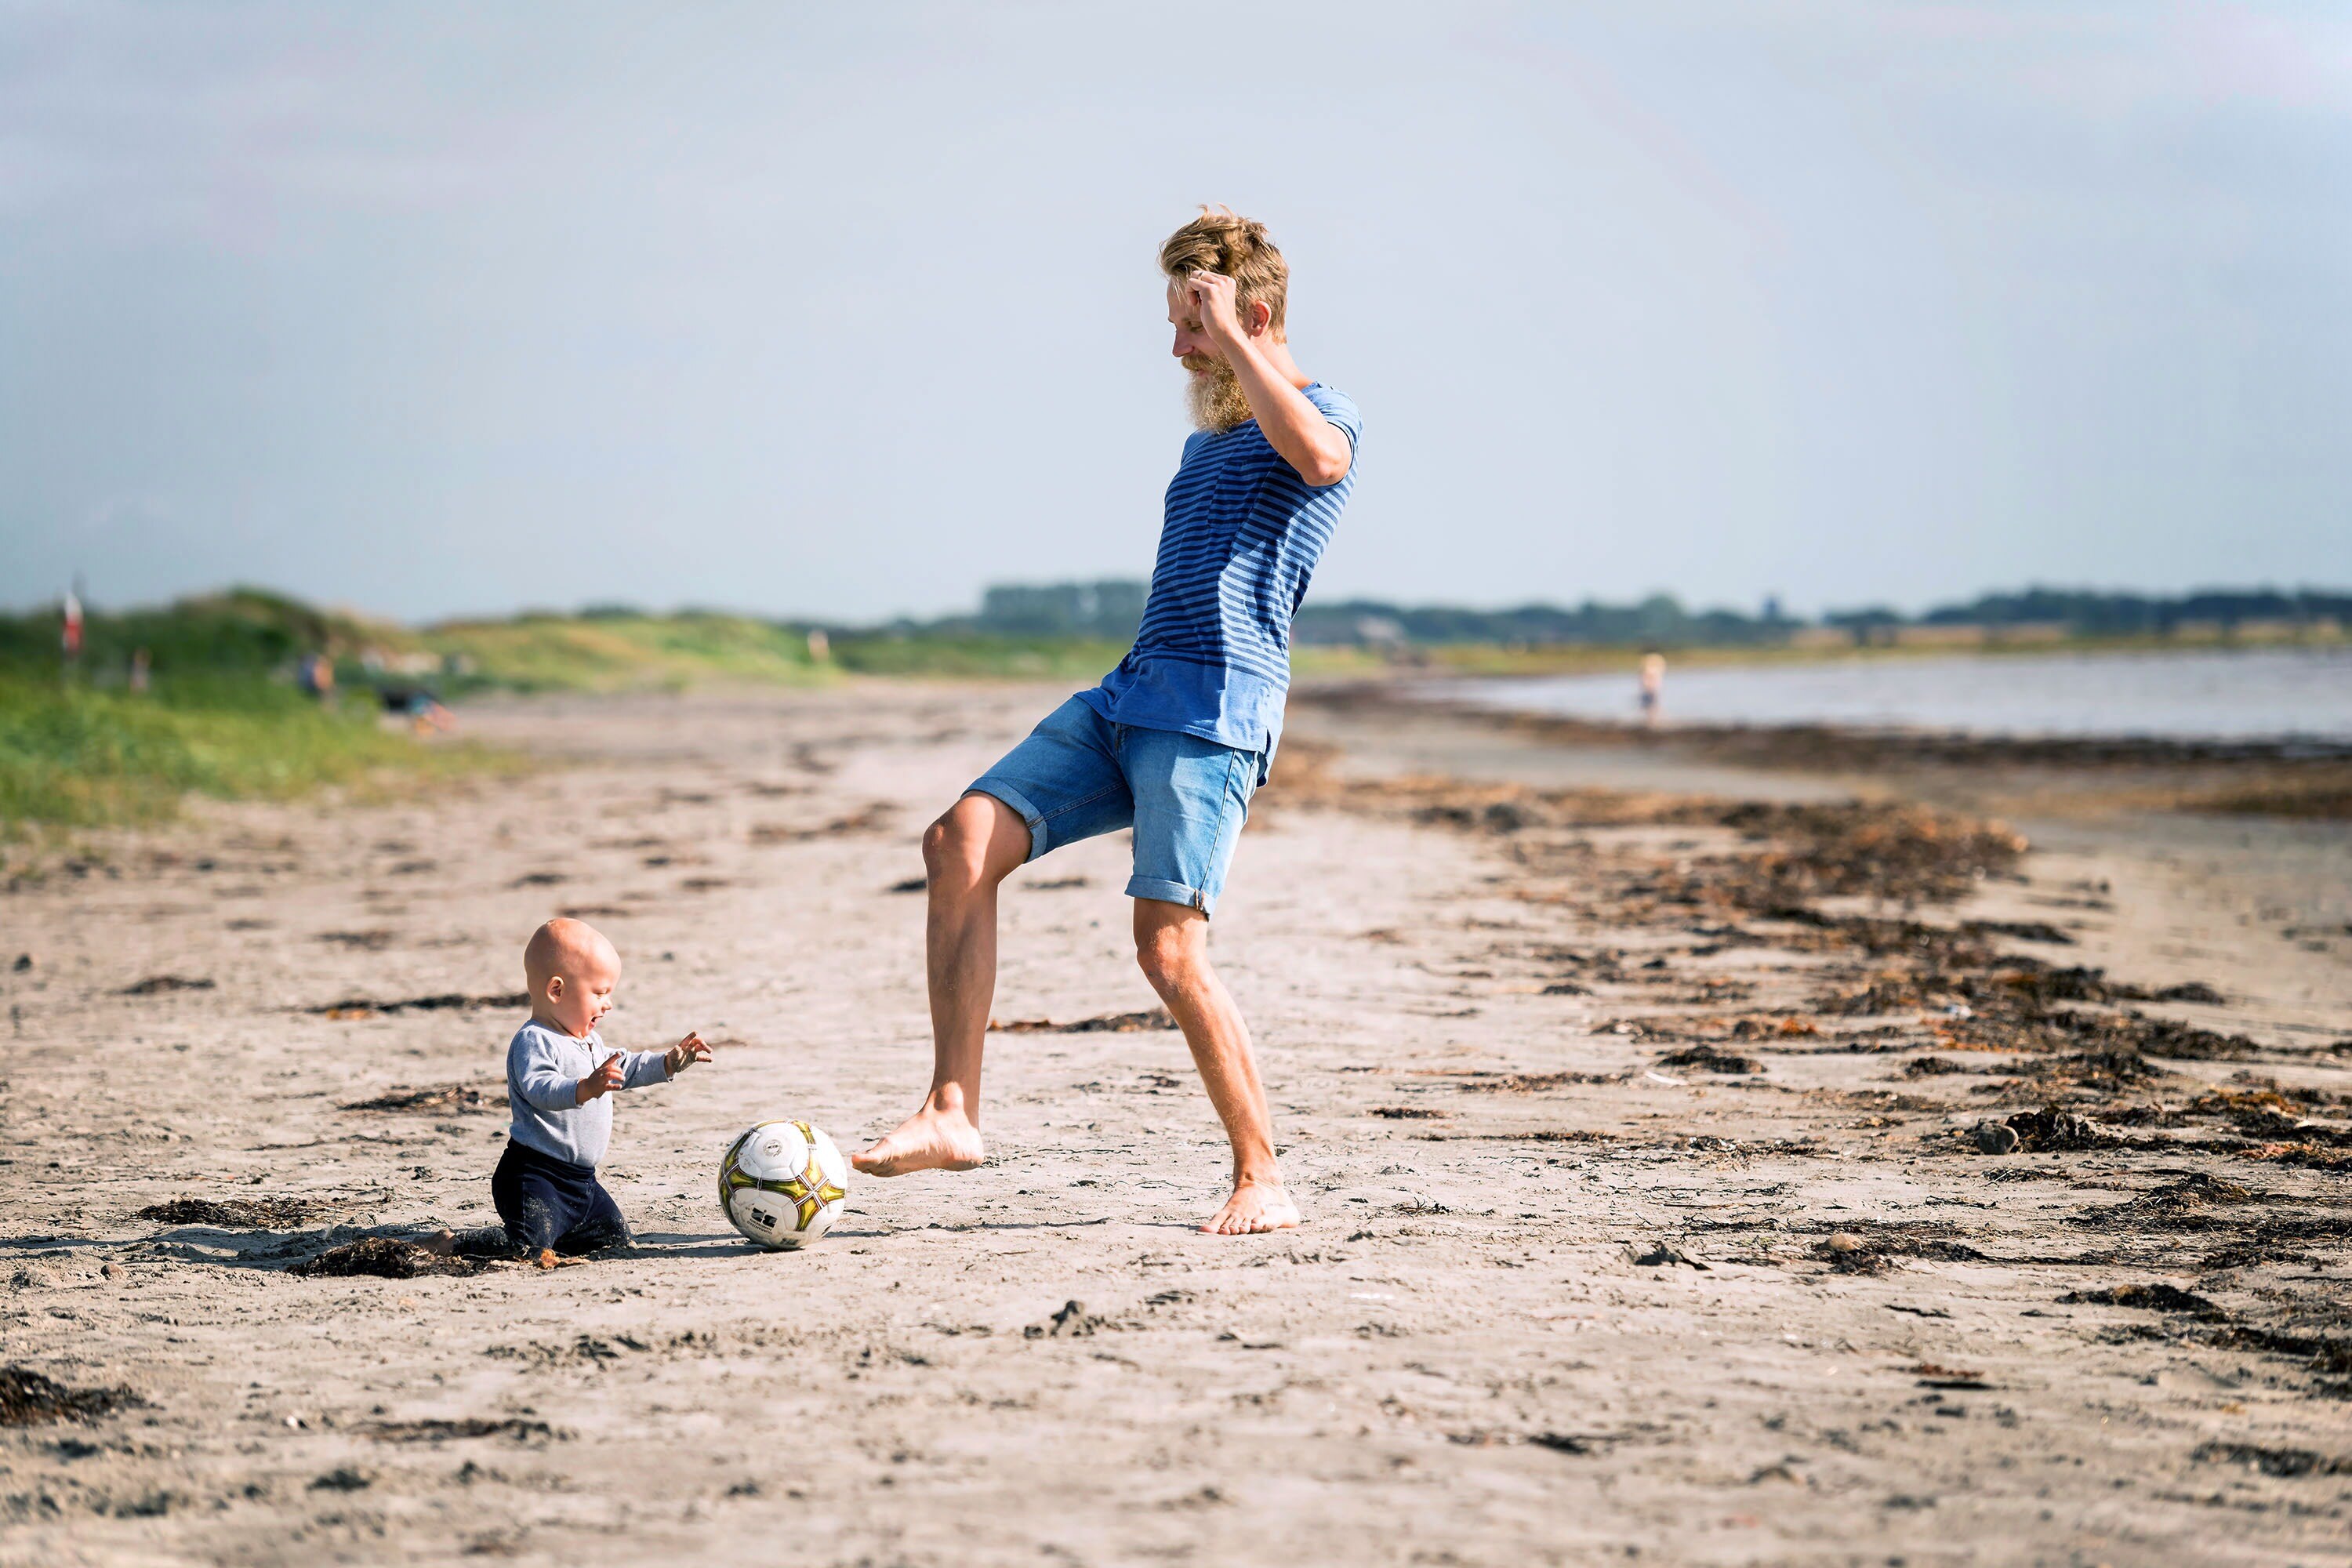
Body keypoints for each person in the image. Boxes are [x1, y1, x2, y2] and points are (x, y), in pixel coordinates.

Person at [855, 208, 1361, 1236]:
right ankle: (954, 1109)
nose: (1175, 346)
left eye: (1193, 324)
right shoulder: (1205, 441)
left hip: (1213, 712)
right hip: (1130, 693)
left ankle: (1263, 1174)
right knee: (958, 841)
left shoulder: (1321, 413)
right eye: (1177, 322)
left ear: (1251, 318)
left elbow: (1322, 462)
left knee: (1168, 951)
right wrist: (1228, 333)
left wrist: (1242, 342)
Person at [495, 918, 713, 1267]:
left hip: (582, 1184)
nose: (608, 1004)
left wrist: (668, 1063)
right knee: (526, 1249)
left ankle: (564, 1234)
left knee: (617, 1242)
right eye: (599, 992)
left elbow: (624, 1067)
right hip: (535, 1178)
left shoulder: (588, 1041)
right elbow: (540, 1089)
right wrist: (585, 1087)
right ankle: (453, 1245)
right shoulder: (533, 1040)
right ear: (556, 991)